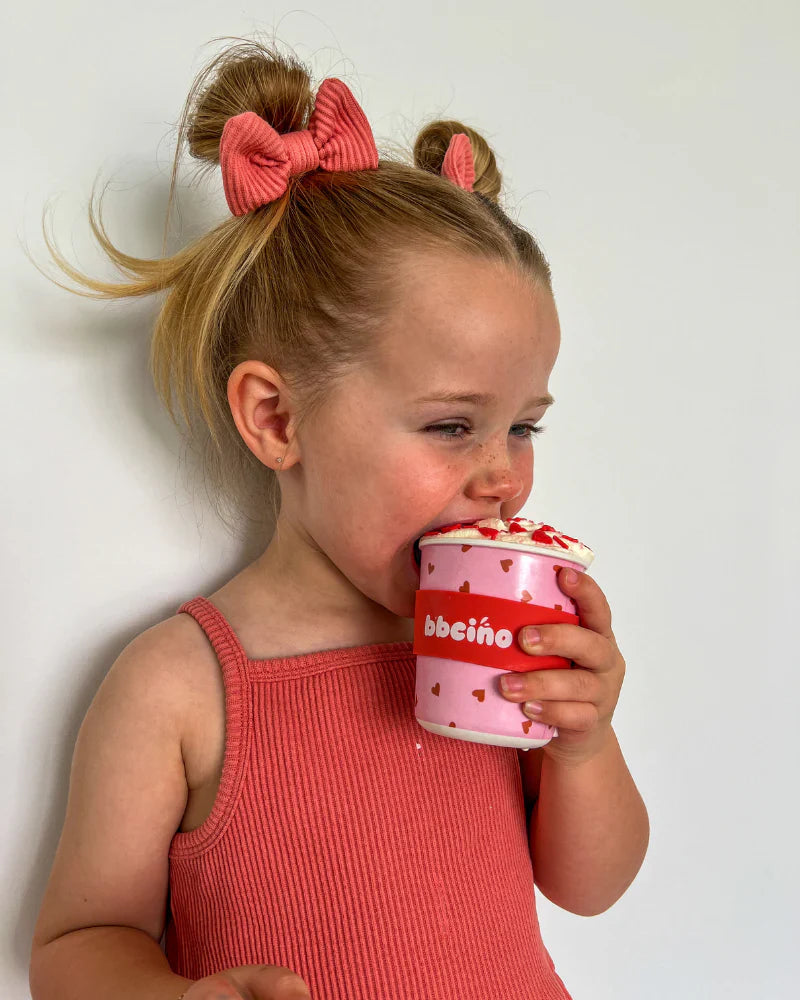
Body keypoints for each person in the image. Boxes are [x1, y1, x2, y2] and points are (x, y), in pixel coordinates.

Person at [27, 37, 649, 1000]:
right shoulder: (181, 685)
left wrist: (586, 743)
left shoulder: (496, 648)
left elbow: (590, 887)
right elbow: (78, 940)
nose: (502, 478)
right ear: (277, 419)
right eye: (452, 424)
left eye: (522, 427)